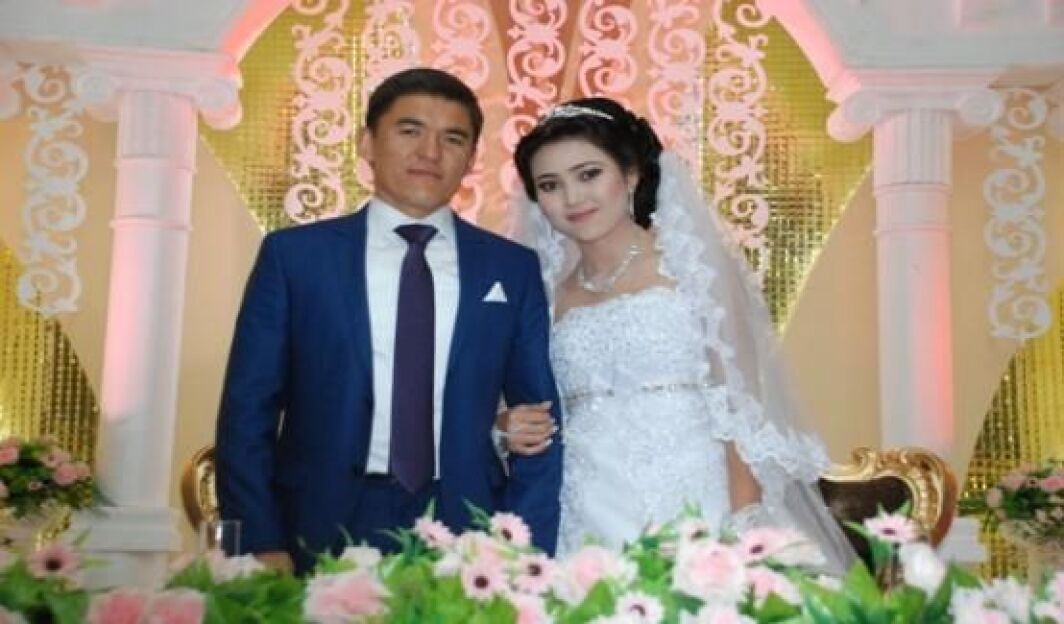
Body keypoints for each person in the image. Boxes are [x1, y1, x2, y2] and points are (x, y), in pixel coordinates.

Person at [215, 68, 563, 575]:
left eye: (453, 139)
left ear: (471, 159)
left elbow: (542, 421)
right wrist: (259, 539)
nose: (430, 152)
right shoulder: (295, 258)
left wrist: (523, 550)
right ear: (367, 143)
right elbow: (248, 413)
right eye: (409, 130)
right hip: (318, 524)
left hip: (468, 530)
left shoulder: (510, 267)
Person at [500, 97, 855, 572]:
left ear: (631, 174)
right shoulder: (543, 294)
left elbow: (741, 412)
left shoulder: (696, 272)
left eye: (588, 174)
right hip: (583, 510)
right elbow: (523, 401)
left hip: (695, 502)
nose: (572, 197)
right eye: (550, 185)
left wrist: (744, 527)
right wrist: (505, 424)